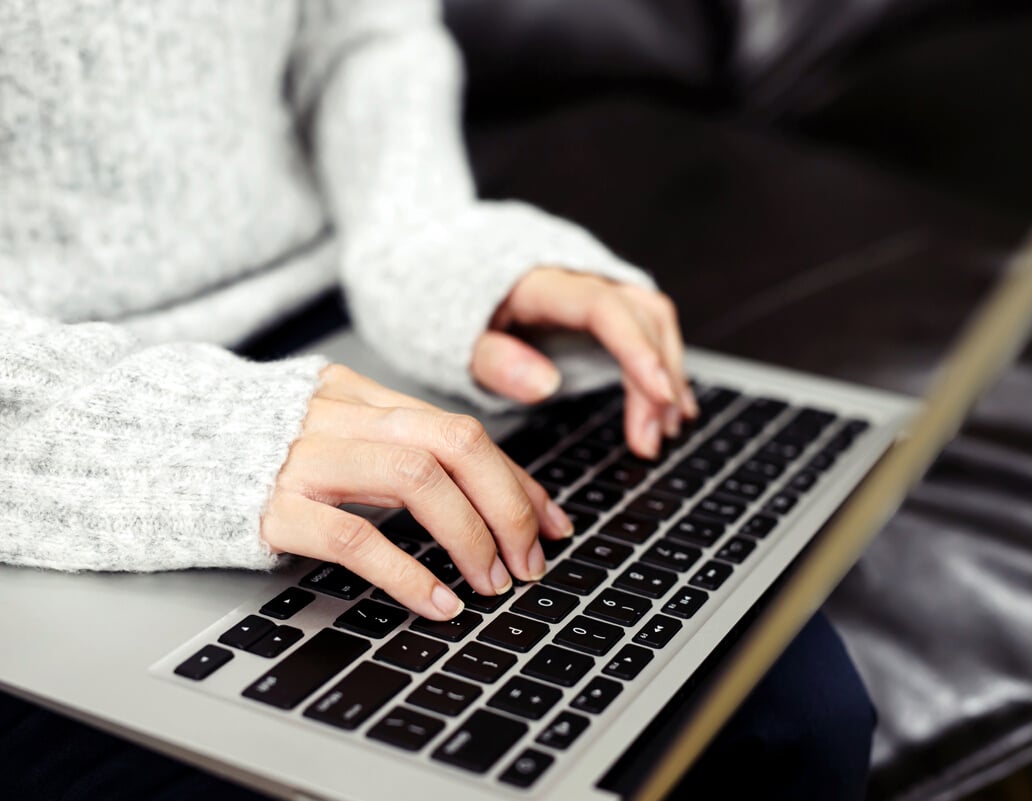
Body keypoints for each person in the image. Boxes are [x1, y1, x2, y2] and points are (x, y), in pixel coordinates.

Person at [0, 2, 876, 799]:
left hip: (318, 319)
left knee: (788, 721)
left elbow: (362, 34)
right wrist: (168, 438)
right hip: (46, 426)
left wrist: (423, 241)